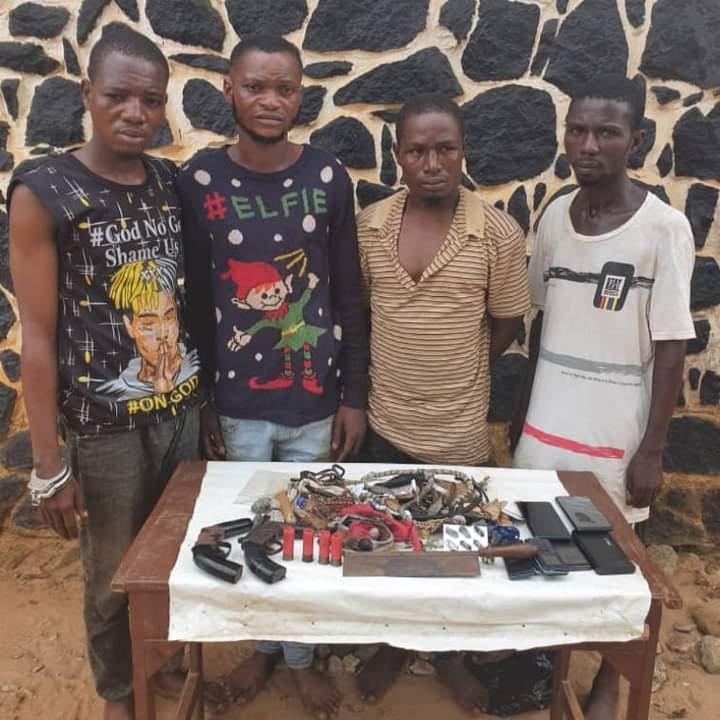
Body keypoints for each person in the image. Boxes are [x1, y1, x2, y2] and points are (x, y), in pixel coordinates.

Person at [7, 23, 215, 720]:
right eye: (118, 96)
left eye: (151, 100)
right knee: (112, 574)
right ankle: (120, 697)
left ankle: (166, 667)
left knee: (174, 558)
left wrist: (205, 407)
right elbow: (38, 334)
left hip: (180, 414)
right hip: (105, 430)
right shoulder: (46, 190)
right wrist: (47, 464)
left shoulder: (169, 183)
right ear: (86, 95)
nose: (135, 112)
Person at [177, 34, 368, 720]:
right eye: (254, 86)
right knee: (253, 529)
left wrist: (353, 396)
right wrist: (204, 399)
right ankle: (264, 648)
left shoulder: (326, 177)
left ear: (301, 95)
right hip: (237, 405)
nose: (269, 100)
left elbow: (347, 294)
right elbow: (196, 301)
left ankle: (300, 659)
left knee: (306, 532)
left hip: (314, 404)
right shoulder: (199, 181)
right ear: (228, 90)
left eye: (284, 88)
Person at [512, 74, 695, 720]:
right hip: (547, 420)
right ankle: (548, 658)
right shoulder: (555, 217)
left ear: (636, 141)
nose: (588, 145)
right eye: (578, 131)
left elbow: (670, 347)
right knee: (543, 542)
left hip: (615, 427)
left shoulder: (663, 229)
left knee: (611, 556)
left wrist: (652, 450)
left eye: (606, 133)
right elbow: (542, 323)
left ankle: (609, 678)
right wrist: (521, 416)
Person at [355, 93, 531, 713]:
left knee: (455, 549)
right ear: (398, 155)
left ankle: (449, 653)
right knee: (385, 542)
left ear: (463, 151)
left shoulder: (497, 233)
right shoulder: (371, 226)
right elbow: (365, 313)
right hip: (386, 418)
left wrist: (458, 363)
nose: (431, 164)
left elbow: (506, 321)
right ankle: (392, 644)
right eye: (417, 151)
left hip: (458, 428)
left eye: (445, 149)